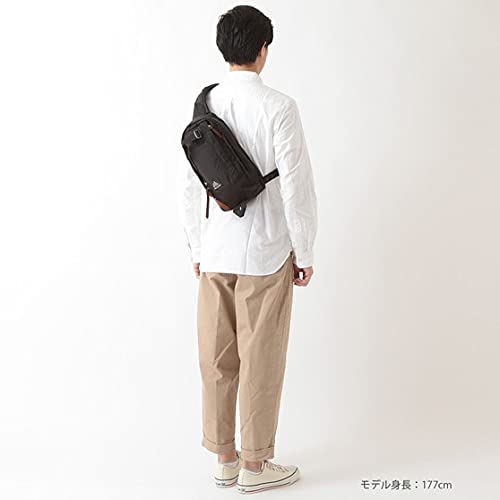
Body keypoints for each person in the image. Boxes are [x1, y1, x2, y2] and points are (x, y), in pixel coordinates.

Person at [177, 4, 318, 494]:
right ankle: (256, 467)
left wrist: (196, 246)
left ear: (224, 49)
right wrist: (304, 252)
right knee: (261, 358)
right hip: (266, 250)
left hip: (216, 249)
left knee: (216, 357)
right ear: (263, 50)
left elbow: (191, 184)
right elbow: (296, 186)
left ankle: (224, 459)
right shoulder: (280, 106)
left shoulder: (205, 105)